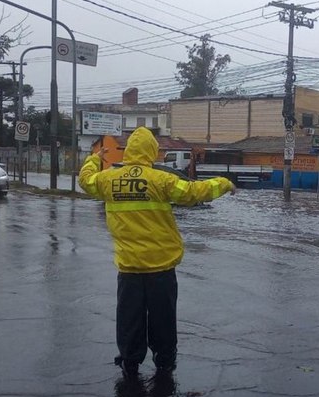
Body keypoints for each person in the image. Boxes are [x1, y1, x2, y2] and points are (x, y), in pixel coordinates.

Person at [79, 127, 236, 379]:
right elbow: (194, 193)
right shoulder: (161, 179)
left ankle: (130, 361)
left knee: (129, 317)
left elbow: (86, 181)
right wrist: (223, 183)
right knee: (163, 318)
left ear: (129, 151)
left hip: (129, 266)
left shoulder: (109, 179)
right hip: (161, 266)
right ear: (152, 151)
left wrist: (94, 158)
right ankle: (165, 363)